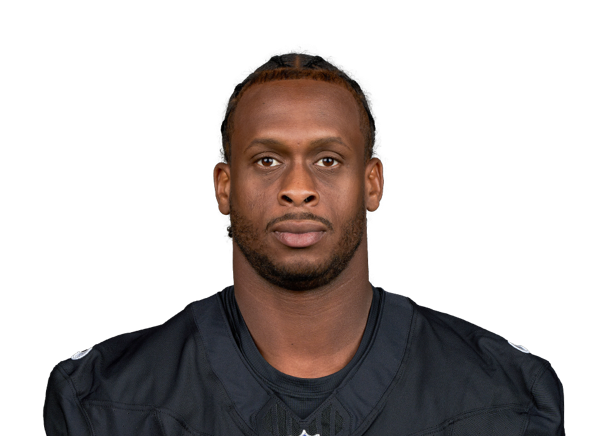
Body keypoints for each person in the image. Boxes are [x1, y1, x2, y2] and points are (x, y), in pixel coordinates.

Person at [43, 46, 566, 436]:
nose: (298, 188)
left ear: (372, 183)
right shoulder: (101, 402)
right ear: (224, 186)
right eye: (267, 160)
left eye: (328, 160)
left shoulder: (509, 397)